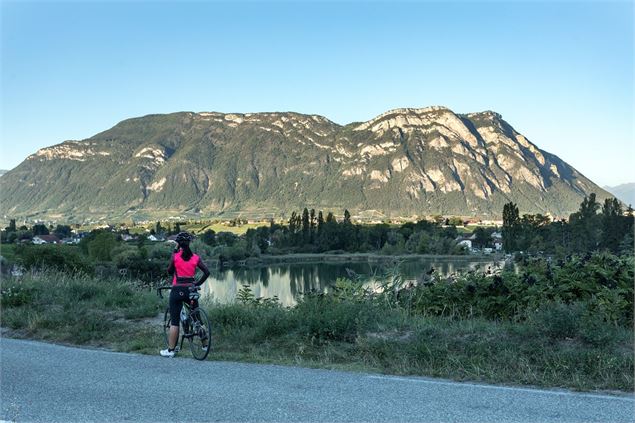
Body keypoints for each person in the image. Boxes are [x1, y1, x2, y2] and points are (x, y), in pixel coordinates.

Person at [160, 231, 210, 357]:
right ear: (189, 243)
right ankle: (205, 346)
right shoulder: (195, 257)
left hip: (177, 290)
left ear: (178, 244)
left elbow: (170, 271)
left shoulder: (176, 256)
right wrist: (197, 284)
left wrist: (174, 252)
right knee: (197, 318)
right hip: (191, 290)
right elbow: (207, 272)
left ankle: (171, 351)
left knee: (175, 322)